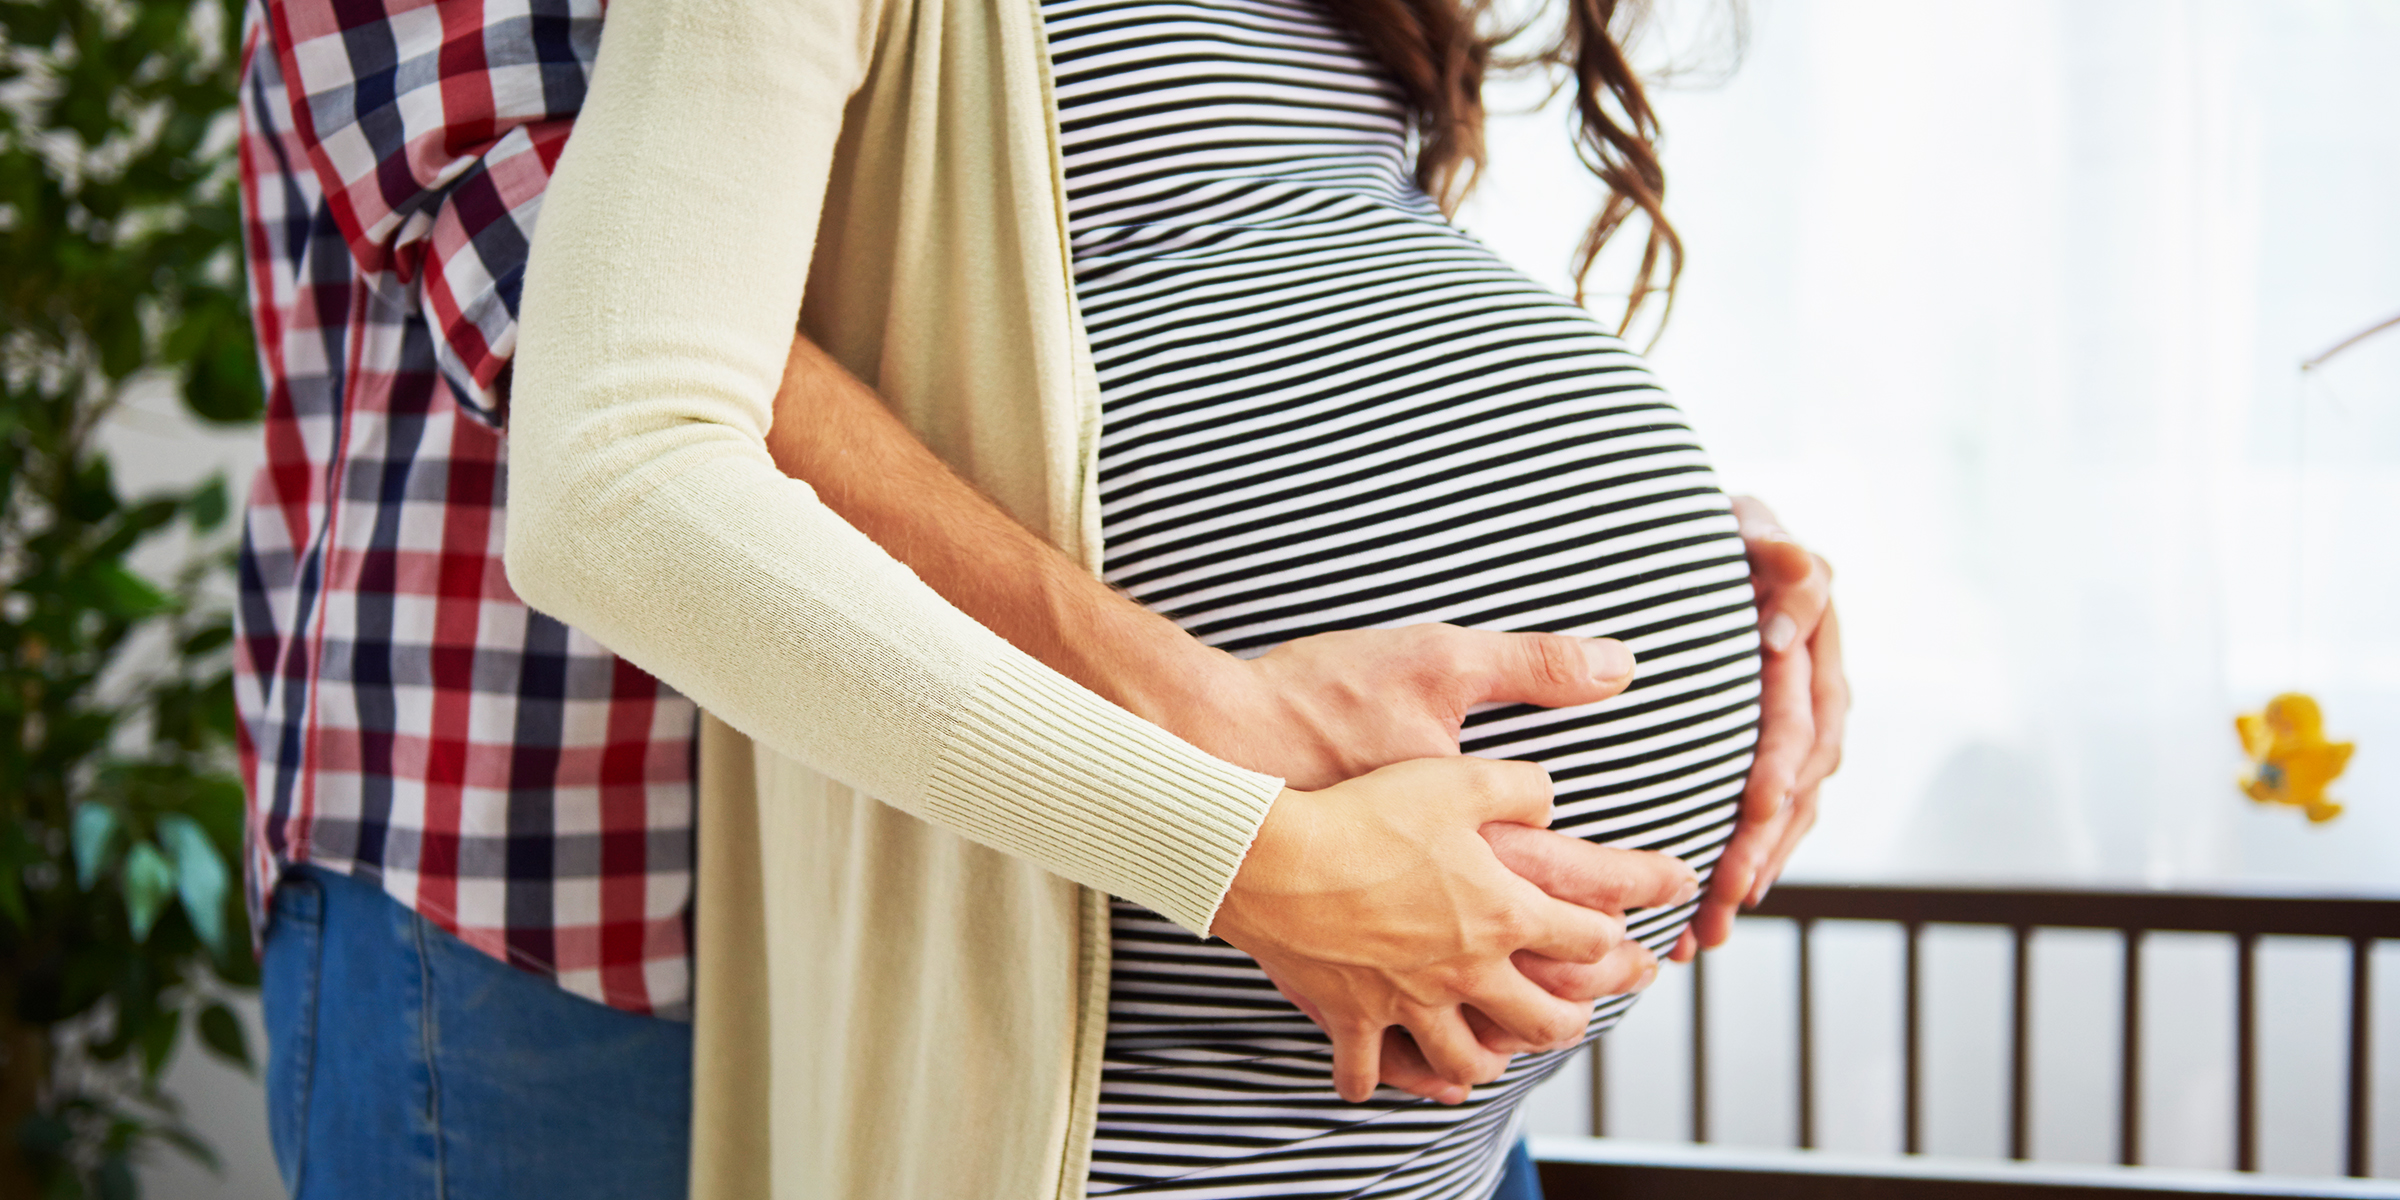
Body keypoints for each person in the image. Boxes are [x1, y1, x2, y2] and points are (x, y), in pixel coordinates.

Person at [233, 0, 1845, 1197]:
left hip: (1308, 995)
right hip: (573, 876)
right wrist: (1225, 777)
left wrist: (1680, 548)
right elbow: (586, 330)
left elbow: (1233, 256)